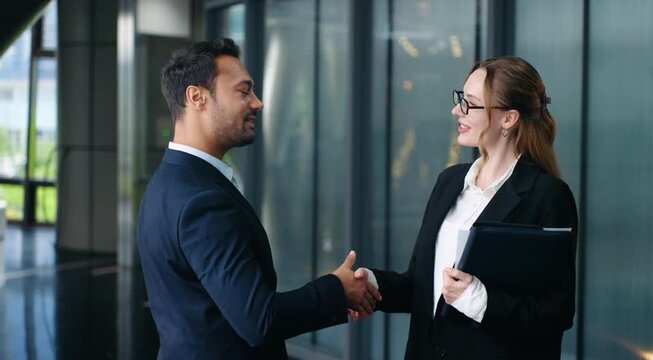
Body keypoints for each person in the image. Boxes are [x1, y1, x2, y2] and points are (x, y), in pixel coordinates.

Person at [136, 38, 380, 359]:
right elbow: (259, 320)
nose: (258, 103)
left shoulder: (168, 180)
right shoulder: (203, 201)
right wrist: (337, 288)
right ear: (197, 97)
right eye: (243, 91)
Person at [355, 56, 578, 359]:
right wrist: (370, 283)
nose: (456, 110)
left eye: (470, 103)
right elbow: (421, 286)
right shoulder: (449, 182)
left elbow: (556, 313)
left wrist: (479, 300)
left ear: (508, 119)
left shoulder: (547, 196)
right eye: (461, 99)